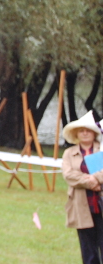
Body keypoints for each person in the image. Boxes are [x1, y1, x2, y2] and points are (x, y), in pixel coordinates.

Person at [61, 110, 103, 264]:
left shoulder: (102, 149)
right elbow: (69, 175)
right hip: (81, 205)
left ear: (94, 133)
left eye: (88, 131)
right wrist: (90, 181)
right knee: (88, 247)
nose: (85, 133)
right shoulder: (68, 153)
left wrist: (96, 178)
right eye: (81, 131)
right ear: (76, 134)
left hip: (100, 202)